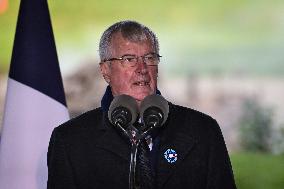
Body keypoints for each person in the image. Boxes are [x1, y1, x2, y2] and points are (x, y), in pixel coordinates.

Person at [47, 20, 237, 189]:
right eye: (129, 59)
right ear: (106, 70)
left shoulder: (203, 130)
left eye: (150, 58)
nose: (142, 69)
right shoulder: (70, 140)